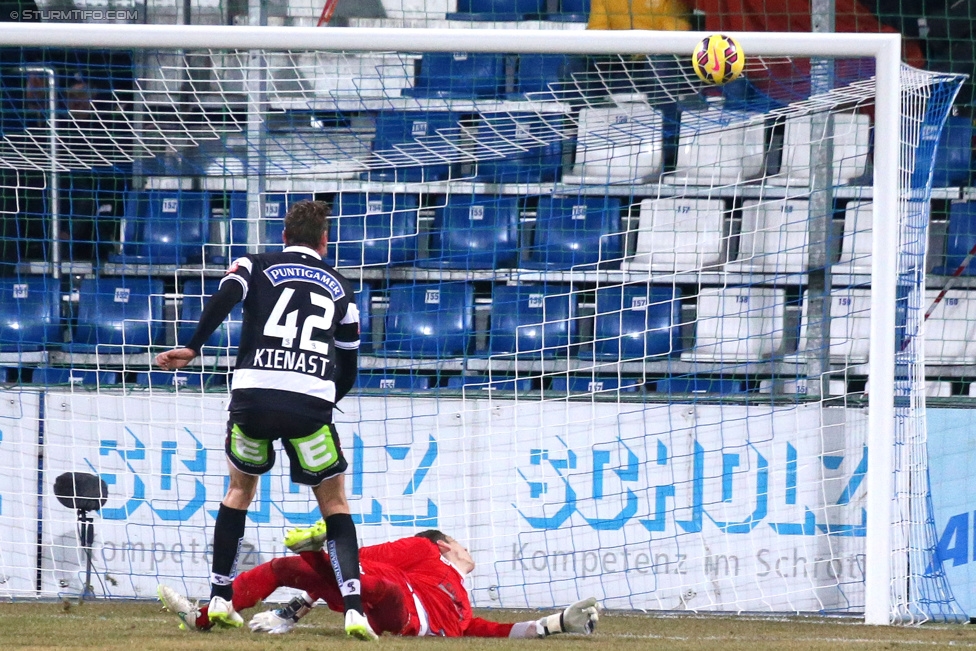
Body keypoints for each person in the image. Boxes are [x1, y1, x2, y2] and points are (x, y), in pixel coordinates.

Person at [154, 200, 375, 640]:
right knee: (334, 505)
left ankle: (219, 597)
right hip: (309, 402)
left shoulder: (253, 265)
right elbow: (349, 363)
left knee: (239, 491)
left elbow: (224, 299)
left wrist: (193, 346)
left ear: (283, 237)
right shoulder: (342, 288)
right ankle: (353, 609)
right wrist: (327, 402)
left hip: (252, 396)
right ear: (324, 241)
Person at [159, 523, 601, 639]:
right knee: (283, 568)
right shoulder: (425, 551)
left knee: (377, 586)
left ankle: (318, 549)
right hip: (381, 596)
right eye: (459, 542)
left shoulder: (462, 604)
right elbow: (360, 561)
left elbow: (495, 631)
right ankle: (201, 617)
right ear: (446, 544)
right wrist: (299, 601)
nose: (467, 549)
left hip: (397, 611)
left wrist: (556, 623)